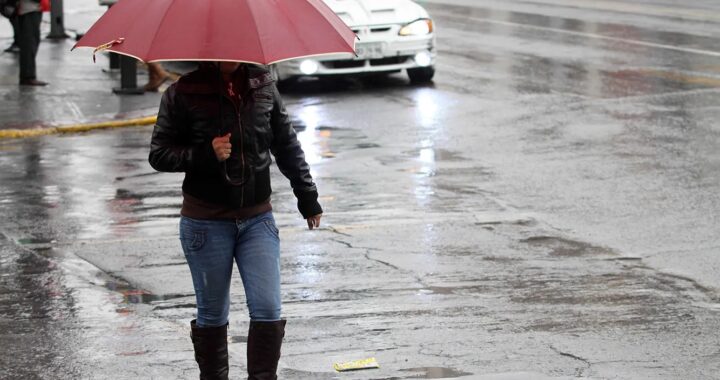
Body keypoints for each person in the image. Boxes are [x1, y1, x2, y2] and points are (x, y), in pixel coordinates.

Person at [149, 61, 323, 380]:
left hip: (257, 219)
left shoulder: (263, 86)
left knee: (268, 309)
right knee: (213, 314)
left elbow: (286, 143)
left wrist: (307, 194)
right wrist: (205, 152)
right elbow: (159, 154)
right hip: (205, 222)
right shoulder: (182, 92)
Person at [17, 0, 46, 86]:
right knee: (29, 44)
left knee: (31, 42)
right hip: (29, 10)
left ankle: (28, 76)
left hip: (31, 9)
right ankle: (28, 77)